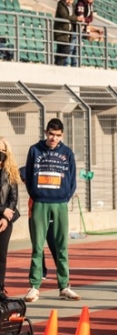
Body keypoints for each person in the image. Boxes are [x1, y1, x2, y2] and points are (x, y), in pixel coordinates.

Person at [23, 118, 80, 302]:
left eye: (57, 135)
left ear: (62, 135)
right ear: (46, 132)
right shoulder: (35, 150)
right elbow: (29, 175)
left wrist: (64, 197)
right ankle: (34, 286)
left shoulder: (67, 153)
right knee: (37, 247)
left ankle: (64, 286)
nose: (54, 138)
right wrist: (36, 195)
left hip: (60, 203)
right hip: (40, 202)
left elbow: (72, 180)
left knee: (62, 246)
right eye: (51, 134)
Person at [0, 137, 21, 299]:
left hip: (5, 220)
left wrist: (6, 217)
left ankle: (0, 288)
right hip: (2, 213)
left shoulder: (10, 172)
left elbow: (13, 198)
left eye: (3, 150)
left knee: (1, 255)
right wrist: (2, 210)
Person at [53, 0, 78, 67]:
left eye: (71, 0)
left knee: (60, 50)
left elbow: (72, 16)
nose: (69, 1)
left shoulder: (72, 7)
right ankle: (59, 65)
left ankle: (57, 65)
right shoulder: (61, 5)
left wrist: (74, 18)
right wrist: (76, 19)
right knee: (66, 50)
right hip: (61, 31)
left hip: (68, 33)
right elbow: (65, 16)